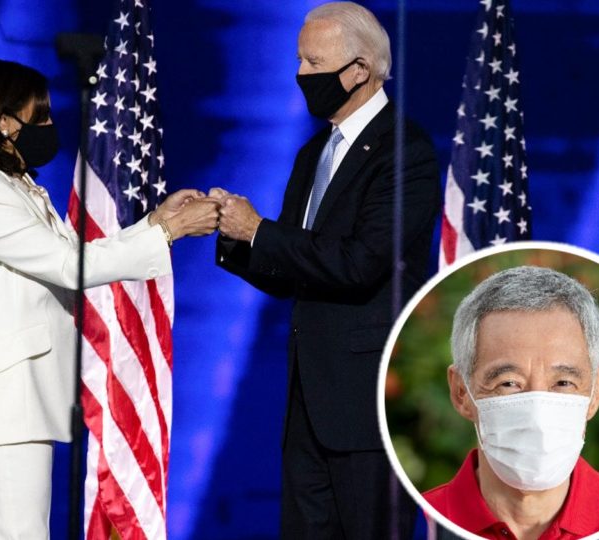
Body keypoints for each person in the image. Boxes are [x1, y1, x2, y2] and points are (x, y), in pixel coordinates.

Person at [0, 58, 219, 538]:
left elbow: (75, 254)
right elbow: (68, 267)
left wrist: (153, 223)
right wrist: (168, 233)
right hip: (2, 396)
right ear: (4, 122)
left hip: (14, 396)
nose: (48, 125)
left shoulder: (15, 186)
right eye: (38, 115)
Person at [213, 2, 441, 537]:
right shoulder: (314, 151)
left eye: (313, 63)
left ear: (359, 70)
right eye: (299, 60)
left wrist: (260, 231)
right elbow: (295, 267)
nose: (300, 75)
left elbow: (362, 263)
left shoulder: (405, 152)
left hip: (368, 405)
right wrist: (231, 234)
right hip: (308, 402)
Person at [425, 266, 599, 540]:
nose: (538, 416)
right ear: (461, 392)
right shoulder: (416, 523)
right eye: (508, 383)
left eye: (563, 383)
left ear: (595, 391)